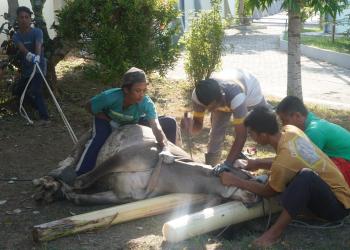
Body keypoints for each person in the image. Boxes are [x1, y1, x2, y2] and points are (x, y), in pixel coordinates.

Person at [219, 106, 350, 247]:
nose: (251, 136)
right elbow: (289, 161)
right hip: (337, 195)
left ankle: (273, 234)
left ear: (262, 135)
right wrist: (256, 163)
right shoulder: (291, 131)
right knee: (299, 177)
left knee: (306, 177)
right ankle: (307, 211)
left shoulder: (284, 162)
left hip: (338, 208)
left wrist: (235, 180)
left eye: (251, 133)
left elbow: (267, 191)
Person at [75, 67, 175, 176]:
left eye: (144, 90)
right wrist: (109, 121)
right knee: (100, 137)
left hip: (132, 120)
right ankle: (81, 173)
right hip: (106, 119)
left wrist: (165, 147)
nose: (141, 95)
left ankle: (169, 165)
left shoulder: (146, 103)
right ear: (126, 90)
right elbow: (89, 107)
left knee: (169, 122)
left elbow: (156, 125)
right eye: (137, 91)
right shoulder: (109, 97)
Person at [181, 68, 269, 167]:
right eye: (211, 108)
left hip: (250, 93)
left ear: (221, 95)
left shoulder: (236, 97)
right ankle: (211, 165)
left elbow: (241, 136)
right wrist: (190, 125)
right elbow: (197, 127)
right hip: (229, 95)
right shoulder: (198, 98)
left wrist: (226, 165)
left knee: (264, 124)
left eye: (216, 106)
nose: (214, 110)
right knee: (216, 132)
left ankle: (278, 158)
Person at [276, 96, 350, 186]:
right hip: (341, 161)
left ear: (297, 116)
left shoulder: (314, 132)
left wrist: (260, 163)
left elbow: (297, 163)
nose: (283, 125)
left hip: (346, 165)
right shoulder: (311, 120)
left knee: (305, 176)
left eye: (285, 121)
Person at [12, 6, 49, 124]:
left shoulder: (37, 32)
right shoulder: (16, 35)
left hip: (38, 66)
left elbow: (38, 45)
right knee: (18, 91)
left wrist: (37, 57)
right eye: (21, 17)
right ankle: (36, 108)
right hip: (27, 69)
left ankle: (45, 118)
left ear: (30, 19)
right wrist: (30, 56)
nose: (24, 19)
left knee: (36, 90)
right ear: (18, 19)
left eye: (26, 17)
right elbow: (21, 48)